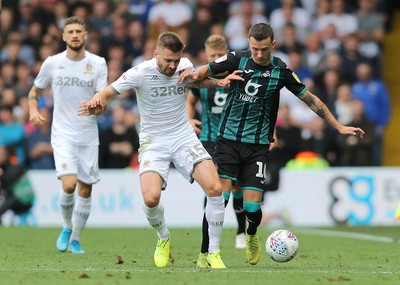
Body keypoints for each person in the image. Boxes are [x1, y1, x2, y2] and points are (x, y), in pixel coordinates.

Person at [179, 23, 365, 266]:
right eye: (254, 49)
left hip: (258, 146)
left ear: (273, 45)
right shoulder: (236, 59)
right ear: (249, 44)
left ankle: (252, 235)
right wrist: (192, 75)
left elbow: (311, 100)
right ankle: (206, 253)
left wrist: (338, 126)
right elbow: (203, 72)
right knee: (219, 198)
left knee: (252, 207)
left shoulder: (281, 71)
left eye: (263, 49)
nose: (258, 54)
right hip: (228, 142)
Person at [78, 32, 240, 269]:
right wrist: (96, 103)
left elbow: (194, 81)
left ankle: (213, 252)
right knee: (151, 198)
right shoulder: (140, 72)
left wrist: (218, 82)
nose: (172, 66)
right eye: (167, 61)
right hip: (154, 141)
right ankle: (163, 237)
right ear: (156, 54)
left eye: (176, 60)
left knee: (215, 188)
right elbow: (106, 93)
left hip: (183, 137)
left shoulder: (183, 66)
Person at [28, 16, 108, 254]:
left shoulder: (98, 63)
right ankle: (65, 226)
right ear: (63, 36)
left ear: (85, 35)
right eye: (70, 31)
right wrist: (33, 109)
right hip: (62, 134)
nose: (74, 35)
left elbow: (102, 100)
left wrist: (95, 107)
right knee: (70, 184)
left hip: (88, 135)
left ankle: (75, 238)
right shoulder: (53, 63)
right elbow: (35, 90)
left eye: (78, 31)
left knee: (85, 190)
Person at [186, 34, 246, 268]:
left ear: (226, 54)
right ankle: (209, 244)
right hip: (209, 140)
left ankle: (241, 230)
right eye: (210, 56)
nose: (214, 60)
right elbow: (189, 101)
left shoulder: (237, 77)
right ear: (205, 55)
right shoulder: (203, 82)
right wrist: (189, 119)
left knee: (237, 184)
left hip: (235, 138)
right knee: (215, 185)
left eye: (218, 56)